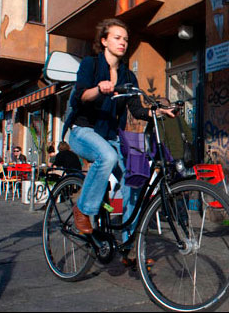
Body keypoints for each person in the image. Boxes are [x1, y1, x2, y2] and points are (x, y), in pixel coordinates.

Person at [67, 18, 175, 267]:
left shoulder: (127, 74)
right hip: (83, 131)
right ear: (104, 41)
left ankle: (129, 246)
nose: (122, 42)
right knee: (108, 157)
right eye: (117, 37)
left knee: (135, 180)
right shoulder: (90, 64)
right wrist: (99, 89)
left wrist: (159, 112)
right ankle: (83, 210)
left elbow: (137, 110)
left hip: (112, 136)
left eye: (125, 39)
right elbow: (82, 96)